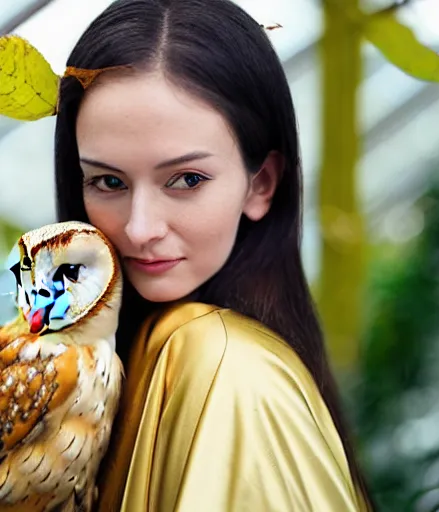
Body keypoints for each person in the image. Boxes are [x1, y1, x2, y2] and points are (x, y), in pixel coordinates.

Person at [53, 0, 373, 510]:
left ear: (261, 183)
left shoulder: (230, 367)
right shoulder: (139, 352)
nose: (139, 229)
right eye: (108, 181)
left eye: (186, 180)